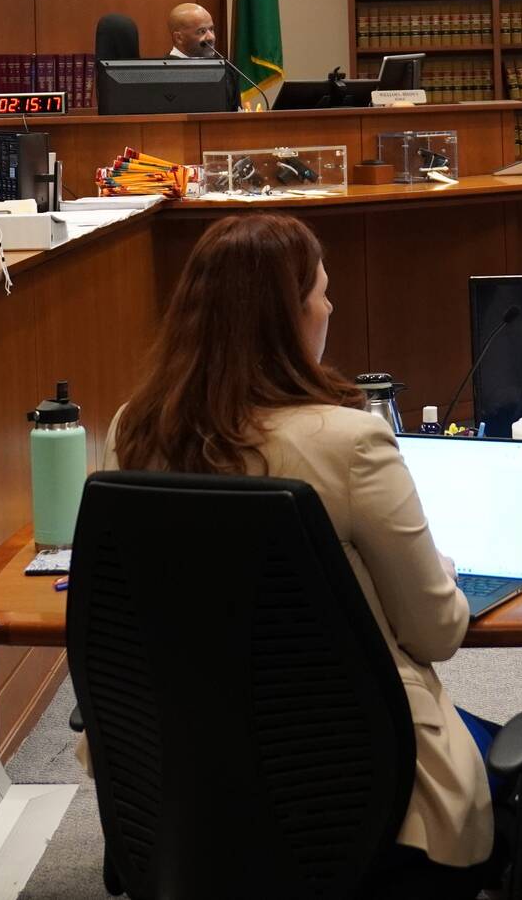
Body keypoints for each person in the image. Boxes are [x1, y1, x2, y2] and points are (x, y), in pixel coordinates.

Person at [100, 214, 491, 893]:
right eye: (321, 292)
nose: (331, 306)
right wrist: (447, 574)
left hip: (188, 781)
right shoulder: (351, 440)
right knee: (498, 762)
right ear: (289, 317)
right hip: (356, 783)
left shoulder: (134, 430)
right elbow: (437, 630)